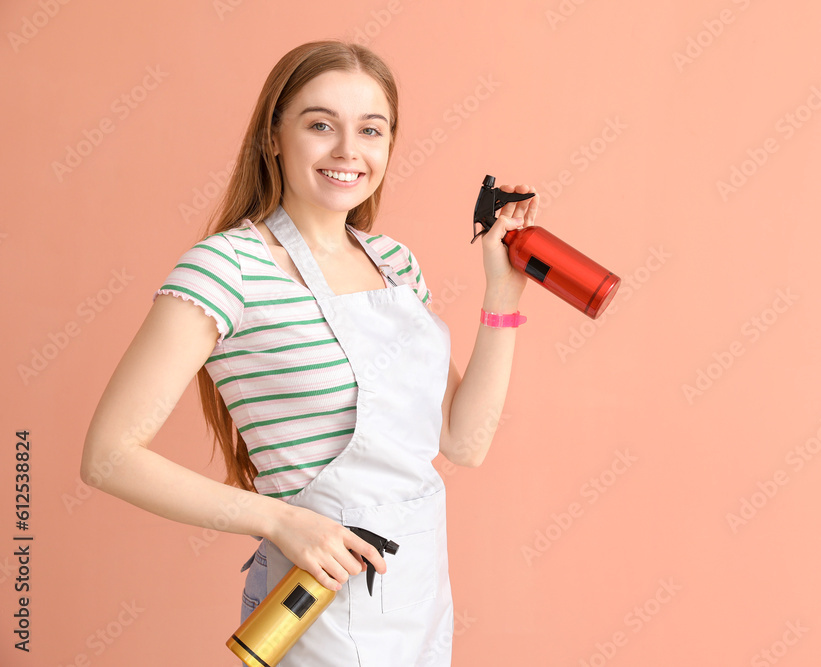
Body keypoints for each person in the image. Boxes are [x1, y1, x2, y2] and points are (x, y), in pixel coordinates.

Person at [80, 40, 537, 666]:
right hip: (315, 603)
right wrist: (276, 522)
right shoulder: (227, 267)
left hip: (419, 600)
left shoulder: (395, 263)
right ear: (274, 136)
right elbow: (108, 457)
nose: (348, 151)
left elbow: (464, 442)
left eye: (370, 130)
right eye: (321, 124)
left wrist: (501, 294)